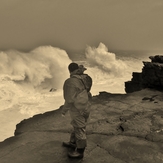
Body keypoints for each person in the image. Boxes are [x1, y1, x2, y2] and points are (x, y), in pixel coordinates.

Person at [62, 62, 92, 158]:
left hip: (78, 109)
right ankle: (73, 142)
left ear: (69, 70)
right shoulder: (84, 78)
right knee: (76, 125)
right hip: (86, 106)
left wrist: (64, 110)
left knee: (80, 129)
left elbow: (69, 99)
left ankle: (80, 152)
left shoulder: (70, 82)